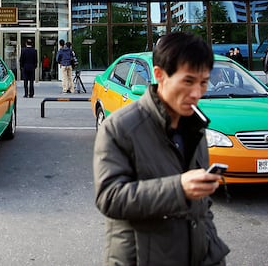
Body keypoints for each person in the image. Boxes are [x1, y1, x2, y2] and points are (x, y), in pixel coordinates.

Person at [93, 32, 229, 266]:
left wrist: (213, 254)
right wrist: (178, 188)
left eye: (203, 82)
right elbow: (110, 198)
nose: (197, 93)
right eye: (188, 81)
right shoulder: (120, 128)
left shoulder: (196, 126)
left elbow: (203, 209)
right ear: (160, 75)